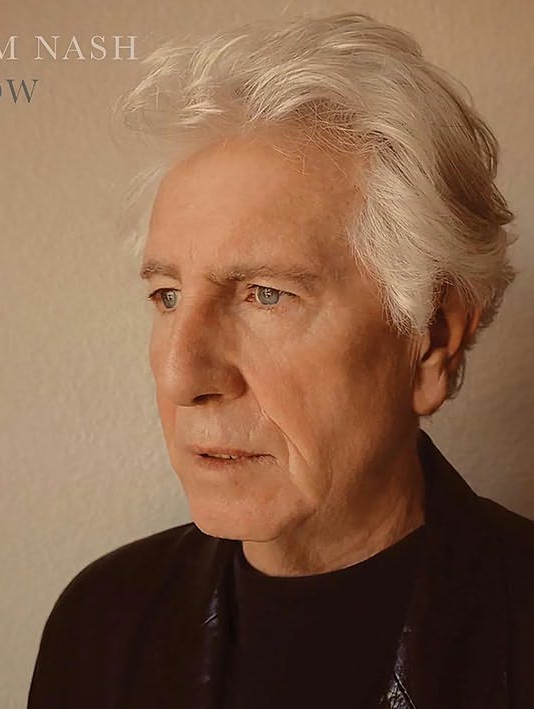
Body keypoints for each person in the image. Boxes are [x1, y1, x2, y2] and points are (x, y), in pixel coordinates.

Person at [28, 13, 533, 708]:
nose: (181, 376)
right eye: (168, 295)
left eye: (266, 294)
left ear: (431, 341)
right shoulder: (100, 622)